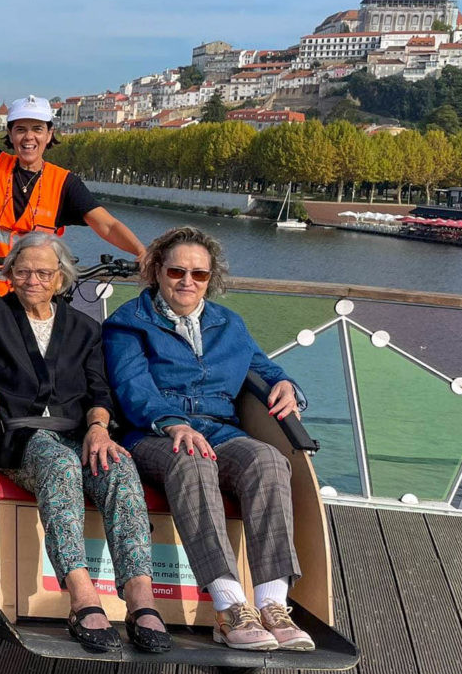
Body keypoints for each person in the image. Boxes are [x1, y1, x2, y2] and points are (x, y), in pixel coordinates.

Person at [0, 232, 171, 654]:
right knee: (59, 464)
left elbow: (99, 391)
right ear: (9, 274)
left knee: (119, 467)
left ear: (60, 279)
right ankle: (83, 599)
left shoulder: (85, 329)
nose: (32, 280)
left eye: (42, 272)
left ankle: (140, 599)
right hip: (17, 438)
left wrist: (97, 427)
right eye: (22, 271)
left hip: (78, 432)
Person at [103, 226, 314, 652]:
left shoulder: (228, 324)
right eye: (177, 270)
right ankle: (228, 606)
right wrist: (173, 423)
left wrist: (288, 385)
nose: (187, 281)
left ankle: (272, 603)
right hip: (152, 434)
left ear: (210, 278)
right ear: (157, 271)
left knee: (269, 460)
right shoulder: (128, 323)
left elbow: (264, 369)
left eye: (198, 275)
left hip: (220, 429)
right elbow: (131, 386)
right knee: (192, 458)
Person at [0, 23, 144, 312]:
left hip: (37, 293)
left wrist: (141, 252)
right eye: (21, 129)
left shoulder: (64, 183)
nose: (29, 137)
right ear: (10, 135)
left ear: (49, 135)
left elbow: (107, 224)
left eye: (37, 129)